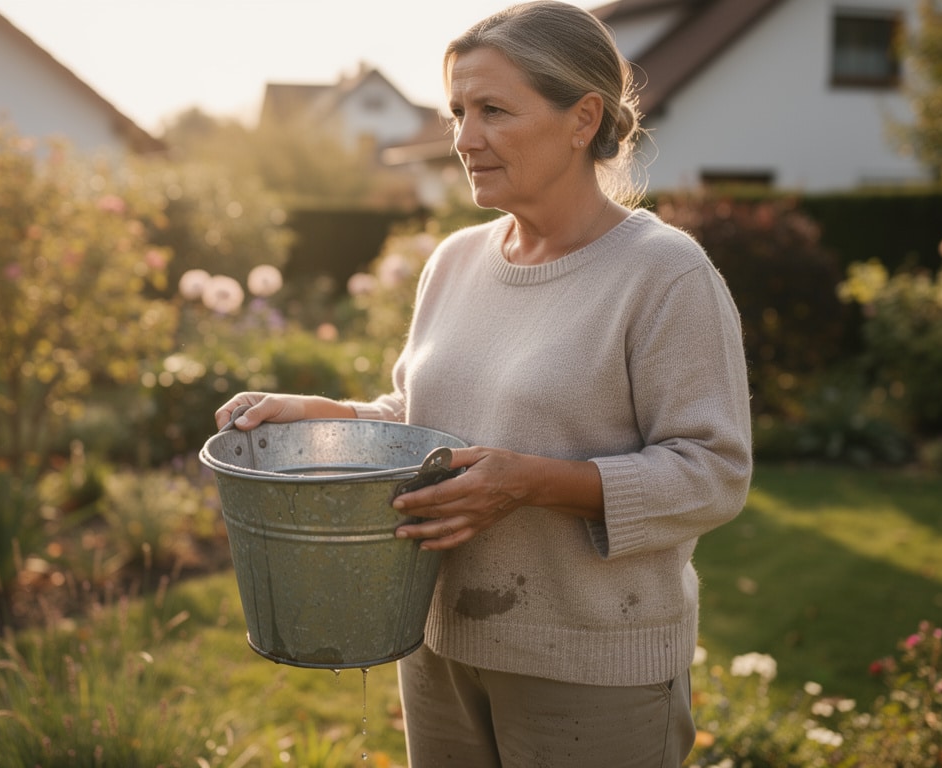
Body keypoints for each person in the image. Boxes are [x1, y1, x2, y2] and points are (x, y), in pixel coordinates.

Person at [214, 2, 752, 765]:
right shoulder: (456, 261)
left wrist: (533, 483)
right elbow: (426, 417)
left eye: (494, 110)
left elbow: (714, 473)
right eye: (459, 111)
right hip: (435, 642)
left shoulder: (663, 274)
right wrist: (330, 416)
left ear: (582, 118)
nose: (464, 139)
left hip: (590, 667)